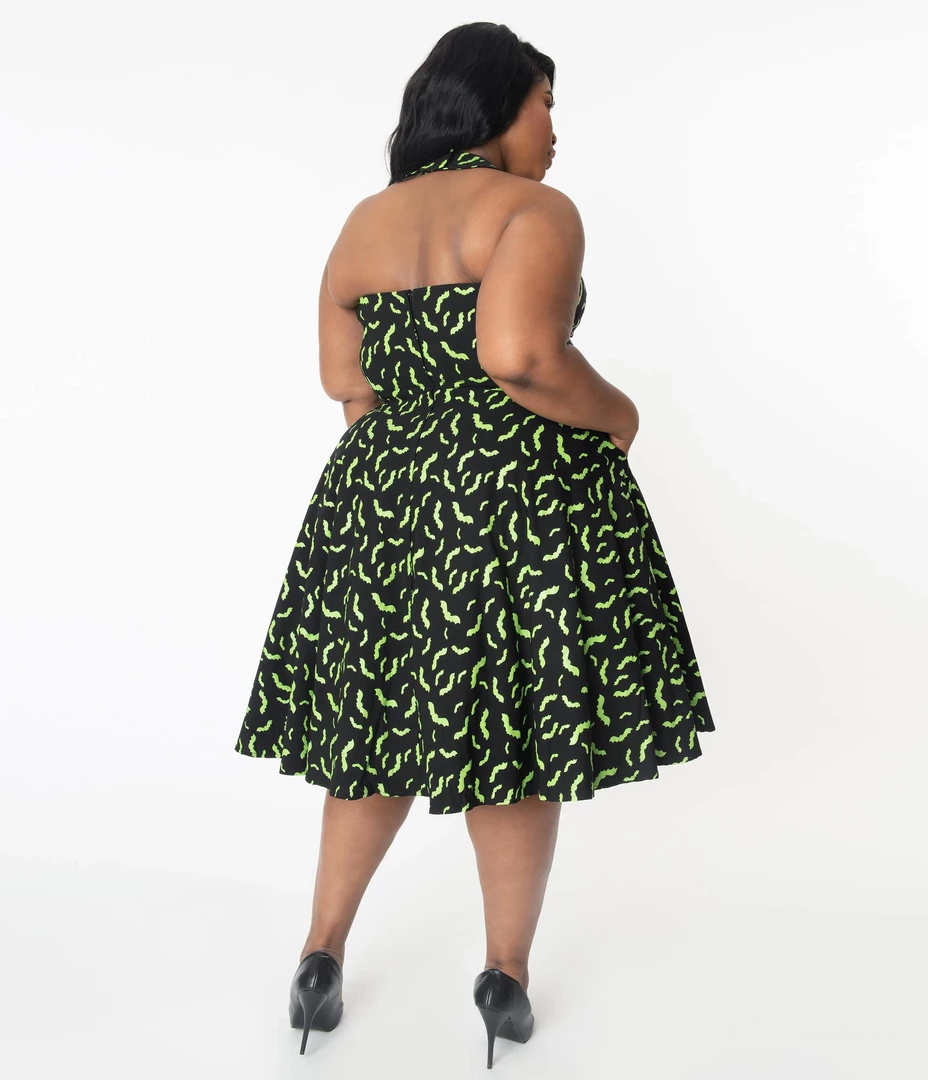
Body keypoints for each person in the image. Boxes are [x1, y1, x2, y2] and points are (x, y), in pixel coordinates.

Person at [233, 20, 716, 1068]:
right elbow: (519, 353)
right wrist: (619, 416)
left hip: (380, 505)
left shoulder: (364, 223)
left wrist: (410, 477)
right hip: (511, 507)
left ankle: (319, 956)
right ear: (497, 105)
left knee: (375, 733)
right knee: (511, 743)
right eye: (546, 104)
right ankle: (504, 977)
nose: (555, 130)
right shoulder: (533, 210)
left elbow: (345, 383)